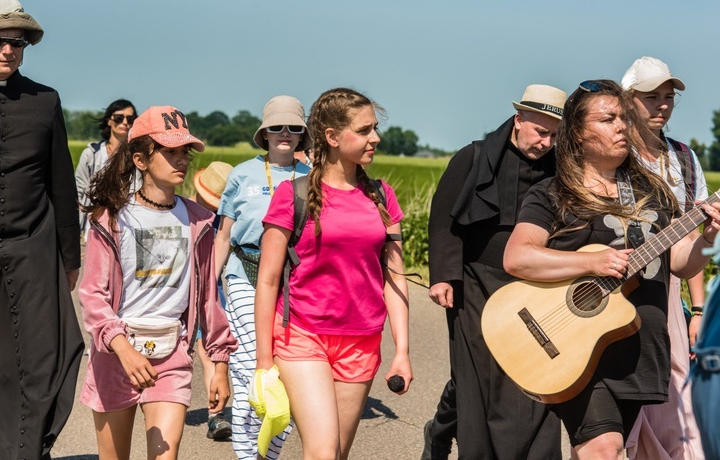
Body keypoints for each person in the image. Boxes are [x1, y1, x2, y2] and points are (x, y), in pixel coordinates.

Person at [503, 79, 720, 459]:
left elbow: (682, 264)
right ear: (577, 134)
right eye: (608, 119)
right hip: (575, 351)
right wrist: (591, 260)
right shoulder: (554, 194)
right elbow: (518, 256)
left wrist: (707, 238)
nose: (622, 126)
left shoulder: (654, 192)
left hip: (640, 352)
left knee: (596, 450)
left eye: (623, 117)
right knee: (604, 448)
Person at [255, 88, 412, 459]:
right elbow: (267, 280)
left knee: (337, 453)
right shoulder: (292, 195)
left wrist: (402, 350)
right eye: (364, 130)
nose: (376, 138)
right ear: (332, 137)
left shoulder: (381, 195)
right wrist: (264, 361)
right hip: (302, 335)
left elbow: (395, 277)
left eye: (374, 128)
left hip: (361, 340)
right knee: (323, 451)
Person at [77, 106, 238, 459]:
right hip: (116, 354)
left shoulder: (200, 222)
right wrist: (123, 348)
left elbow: (209, 299)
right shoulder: (111, 219)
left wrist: (220, 365)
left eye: (185, 152)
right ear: (140, 159)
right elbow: (92, 295)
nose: (181, 160)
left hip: (171, 355)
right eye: (170, 152)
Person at [424, 84, 565, 459]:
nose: (547, 142)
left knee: (535, 376)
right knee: (475, 380)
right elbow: (443, 221)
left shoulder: (560, 169)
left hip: (534, 286)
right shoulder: (473, 157)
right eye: (541, 131)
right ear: (519, 120)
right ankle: (449, 436)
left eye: (554, 135)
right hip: (474, 285)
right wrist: (443, 275)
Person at [0, 0, 84, 458]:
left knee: (50, 356)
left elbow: (61, 181)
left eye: (17, 42)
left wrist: (69, 258)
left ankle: (30, 448)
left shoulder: (45, 100)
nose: (7, 50)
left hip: (33, 252)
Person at [214, 95, 311, 458]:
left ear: (303, 135)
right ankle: (245, 455)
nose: (285, 133)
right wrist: (210, 288)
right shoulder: (242, 174)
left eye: (293, 127)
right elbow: (224, 234)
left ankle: (266, 454)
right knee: (251, 365)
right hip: (245, 270)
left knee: (282, 375)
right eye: (276, 127)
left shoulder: (313, 177)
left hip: (291, 278)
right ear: (264, 134)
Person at [621, 56, 706, 459]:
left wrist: (699, 309)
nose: (663, 105)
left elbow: (690, 239)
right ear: (628, 99)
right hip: (616, 282)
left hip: (669, 288)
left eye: (669, 97)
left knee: (675, 383)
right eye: (651, 96)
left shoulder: (686, 161)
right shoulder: (614, 156)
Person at [191, 161, 235, 441]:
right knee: (210, 356)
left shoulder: (184, 211)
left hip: (197, 289)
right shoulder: (228, 220)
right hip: (212, 289)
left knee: (204, 354)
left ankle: (214, 415)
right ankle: (215, 416)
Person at [75, 98, 138, 234]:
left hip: (128, 228)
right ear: (109, 120)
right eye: (119, 118)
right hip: (93, 228)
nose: (125, 122)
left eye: (130, 119)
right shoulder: (91, 154)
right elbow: (80, 192)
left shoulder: (138, 157)